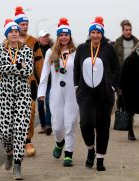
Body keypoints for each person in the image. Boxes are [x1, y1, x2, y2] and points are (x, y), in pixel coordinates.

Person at [0, 6, 44, 157]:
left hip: (30, 84)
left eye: (26, 23)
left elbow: (39, 63)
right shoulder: (5, 44)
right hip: (8, 85)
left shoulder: (33, 42)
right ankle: (14, 144)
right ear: (14, 27)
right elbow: (0, 67)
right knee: (11, 117)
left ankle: (27, 141)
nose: (25, 26)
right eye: (22, 24)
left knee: (29, 112)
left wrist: (43, 83)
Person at [74, 17, 120, 171]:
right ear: (89, 34)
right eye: (93, 32)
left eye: (98, 33)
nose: (95, 35)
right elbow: (76, 69)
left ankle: (100, 159)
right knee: (85, 123)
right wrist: (76, 86)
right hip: (85, 94)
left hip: (104, 95)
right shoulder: (82, 49)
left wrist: (113, 86)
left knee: (103, 126)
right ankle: (90, 150)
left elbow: (116, 69)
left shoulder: (109, 48)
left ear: (102, 34)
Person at [0, 19, 33, 180]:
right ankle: (9, 153)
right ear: (7, 34)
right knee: (4, 132)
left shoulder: (27, 50)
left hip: (23, 93)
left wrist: (10, 68)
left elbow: (28, 70)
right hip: (5, 94)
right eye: (11, 31)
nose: (15, 34)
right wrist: (17, 66)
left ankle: (17, 164)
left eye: (16, 31)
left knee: (20, 130)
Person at [38, 18, 79, 167]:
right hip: (55, 93)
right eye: (61, 35)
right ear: (58, 36)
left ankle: (68, 154)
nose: (63, 37)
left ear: (70, 36)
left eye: (66, 35)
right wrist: (41, 92)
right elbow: (44, 74)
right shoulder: (50, 52)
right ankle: (59, 142)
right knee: (56, 126)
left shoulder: (75, 52)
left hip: (72, 94)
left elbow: (81, 73)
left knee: (70, 123)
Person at [120, 40, 139, 142]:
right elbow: (124, 76)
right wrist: (123, 91)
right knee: (130, 113)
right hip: (131, 92)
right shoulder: (131, 59)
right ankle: (131, 132)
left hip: (138, 91)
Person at [114, 19, 139, 109]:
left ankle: (129, 120)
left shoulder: (136, 42)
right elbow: (114, 58)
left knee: (131, 98)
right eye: (126, 30)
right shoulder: (118, 42)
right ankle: (121, 118)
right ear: (123, 30)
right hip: (121, 74)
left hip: (133, 74)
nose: (128, 32)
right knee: (121, 97)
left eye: (130, 30)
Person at [37, 30, 53, 135]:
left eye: (47, 36)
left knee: (48, 102)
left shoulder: (52, 49)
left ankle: (48, 125)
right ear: (39, 38)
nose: (46, 38)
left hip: (51, 80)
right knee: (40, 104)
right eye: (43, 36)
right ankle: (42, 125)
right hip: (39, 81)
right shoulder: (36, 49)